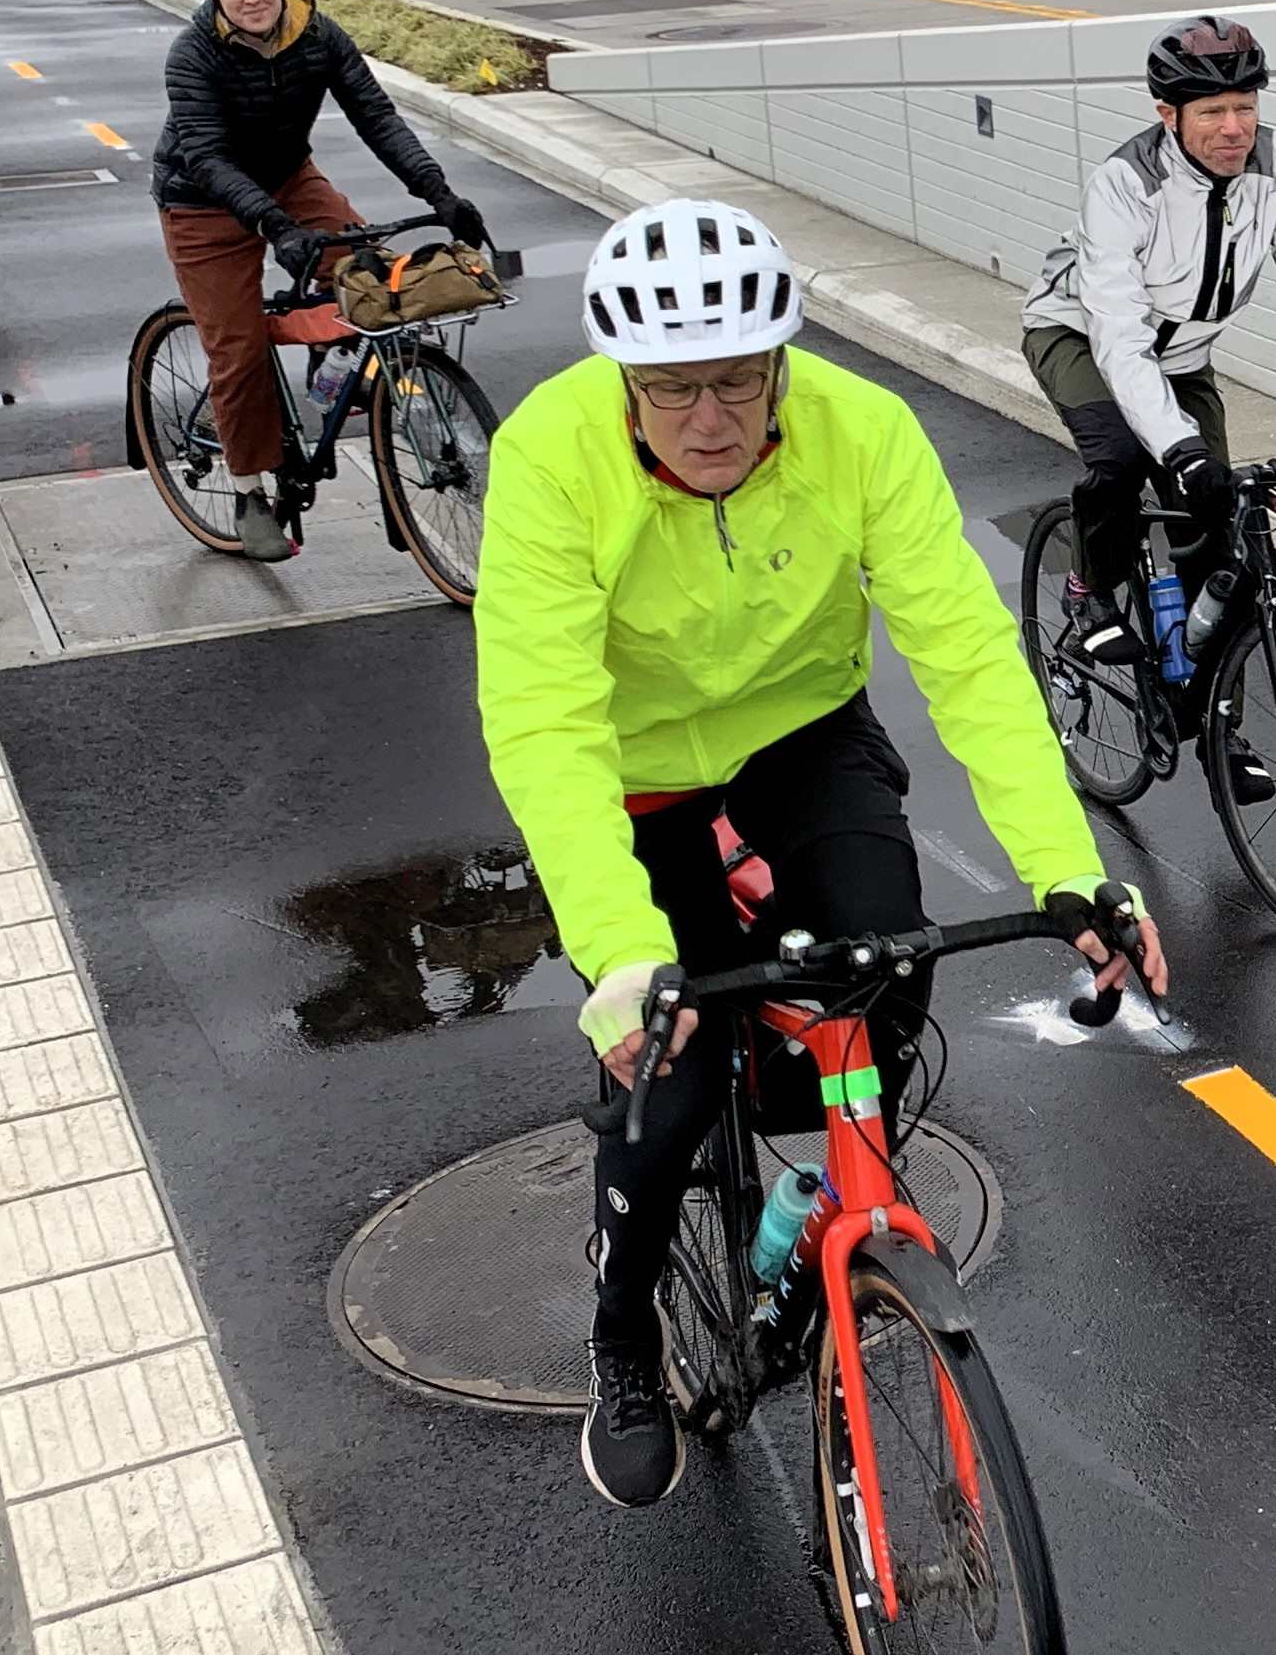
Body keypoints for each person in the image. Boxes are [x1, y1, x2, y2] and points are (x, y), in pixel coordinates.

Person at [475, 196, 1166, 1510]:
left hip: (803, 732)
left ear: (785, 358)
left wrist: (1069, 873)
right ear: (623, 384)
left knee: (883, 968)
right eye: (672, 390)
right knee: (668, 1071)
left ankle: (832, 1212)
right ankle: (623, 1331)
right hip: (634, 778)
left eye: (739, 378)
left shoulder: (864, 435)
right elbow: (544, 723)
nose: (712, 418)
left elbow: (965, 658)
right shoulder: (550, 457)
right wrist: (622, 957)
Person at [1020, 15, 1276, 769]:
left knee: (1225, 539)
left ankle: (1210, 722)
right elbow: (1118, 334)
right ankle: (1090, 591)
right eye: (1212, 112)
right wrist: (1178, 449)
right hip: (1080, 337)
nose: (1234, 127)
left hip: (1186, 362)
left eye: (1246, 106)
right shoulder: (1125, 183)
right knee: (1119, 464)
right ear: (1167, 115)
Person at [151, 0, 489, 564]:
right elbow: (206, 153)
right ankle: (250, 492)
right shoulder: (192, 54)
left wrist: (437, 192)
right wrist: (276, 226)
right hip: (202, 200)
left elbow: (376, 116)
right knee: (240, 348)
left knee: (377, 276)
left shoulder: (319, 35)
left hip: (287, 176)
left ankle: (330, 363)